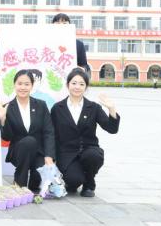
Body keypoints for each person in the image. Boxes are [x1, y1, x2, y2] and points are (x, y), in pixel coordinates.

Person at [50, 68, 120, 197]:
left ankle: (89, 184)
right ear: (67, 85)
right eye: (74, 83)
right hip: (66, 153)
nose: (77, 87)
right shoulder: (57, 108)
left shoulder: (93, 107)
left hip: (89, 149)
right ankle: (76, 177)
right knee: (73, 181)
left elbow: (112, 128)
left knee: (93, 156)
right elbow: (51, 134)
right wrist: (51, 158)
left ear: (86, 87)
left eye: (81, 84)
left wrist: (111, 109)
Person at [0, 69, 55, 191]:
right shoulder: (8, 107)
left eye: (27, 84)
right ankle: (19, 182)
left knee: (37, 180)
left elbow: (49, 132)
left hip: (38, 152)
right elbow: (7, 137)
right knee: (29, 141)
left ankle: (33, 182)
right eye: (20, 83)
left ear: (32, 86)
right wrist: (3, 119)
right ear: (14, 85)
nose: (23, 87)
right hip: (18, 151)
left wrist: (49, 156)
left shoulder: (41, 105)